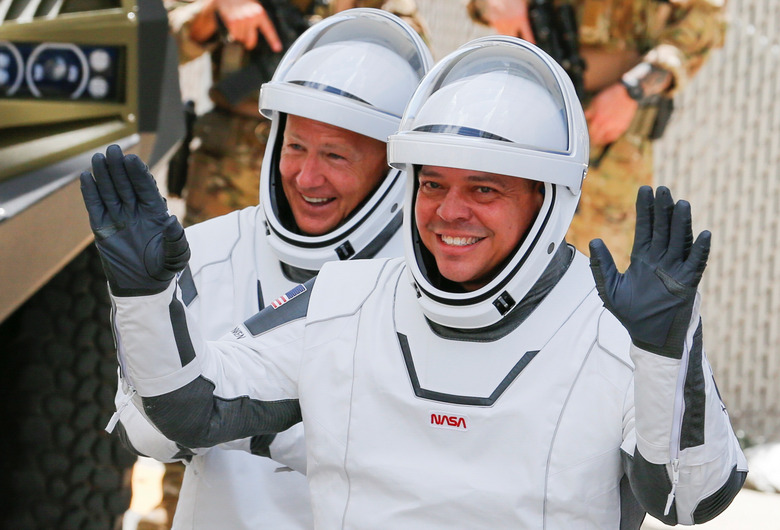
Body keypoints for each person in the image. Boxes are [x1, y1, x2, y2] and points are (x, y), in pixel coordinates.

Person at [83, 36, 746, 527]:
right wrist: (144, 298)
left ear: (549, 201)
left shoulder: (613, 327)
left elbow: (689, 500)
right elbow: (186, 411)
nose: (449, 211)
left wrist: (666, 354)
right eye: (432, 184)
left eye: (483, 188)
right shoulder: (343, 301)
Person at [108, 8, 433, 529]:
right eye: (295, 147)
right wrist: (142, 302)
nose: (306, 175)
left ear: (394, 163)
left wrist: (234, 418)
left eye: (336, 156)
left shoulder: (431, 284)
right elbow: (142, 433)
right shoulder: (208, 251)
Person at [466, 0, 726, 270]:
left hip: (612, 142)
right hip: (525, 121)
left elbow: (706, 20)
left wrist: (632, 91)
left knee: (600, 278)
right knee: (506, 264)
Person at [167, 0, 429, 226]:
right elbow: (159, 43)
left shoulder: (378, 5)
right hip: (226, 176)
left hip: (334, 173)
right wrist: (215, 10)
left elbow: (413, 56)